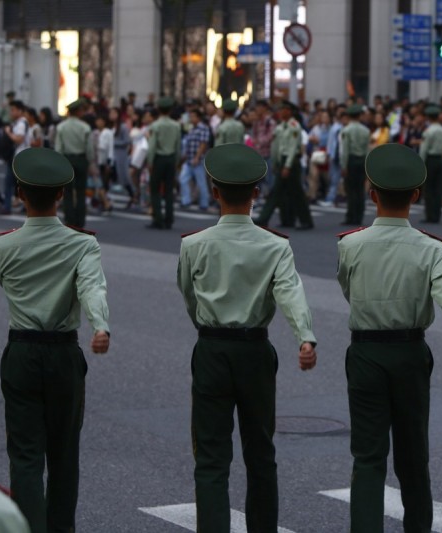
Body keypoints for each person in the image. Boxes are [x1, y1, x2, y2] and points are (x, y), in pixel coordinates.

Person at [337, 143, 442, 532]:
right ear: (416, 197)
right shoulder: (432, 248)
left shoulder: (350, 244)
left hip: (366, 352)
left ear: (372, 195)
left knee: (368, 458)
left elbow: (347, 288)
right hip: (409, 352)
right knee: (413, 458)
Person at [178, 143, 317, 533]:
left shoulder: (193, 244)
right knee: (261, 455)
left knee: (210, 458)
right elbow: (290, 292)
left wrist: (206, 325)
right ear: (257, 193)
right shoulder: (275, 245)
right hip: (256, 349)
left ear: (214, 191)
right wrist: (304, 336)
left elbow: (188, 295)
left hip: (211, 346)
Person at [0, 148, 110, 533]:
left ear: (20, 194)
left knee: (24, 455)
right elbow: (92, 288)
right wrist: (100, 325)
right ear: (61, 196)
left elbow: (1, 279)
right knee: (63, 454)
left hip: (21, 350)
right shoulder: (82, 244)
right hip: (64, 353)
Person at [254, 101, 314, 230]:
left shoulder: (294, 126)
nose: (281, 112)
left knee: (281, 191)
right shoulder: (281, 126)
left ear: (290, 111)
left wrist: (287, 165)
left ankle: (264, 218)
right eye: (280, 109)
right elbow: (276, 147)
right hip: (282, 161)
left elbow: (292, 148)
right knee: (287, 193)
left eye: (283, 109)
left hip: (291, 162)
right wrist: (276, 162)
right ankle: (288, 219)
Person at [54, 99, 93, 228]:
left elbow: (59, 148)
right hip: (81, 159)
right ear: (78, 111)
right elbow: (89, 148)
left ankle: (70, 221)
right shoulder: (85, 127)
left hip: (67, 160)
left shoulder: (61, 127)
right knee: (81, 192)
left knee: (67, 192)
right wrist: (91, 162)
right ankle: (80, 221)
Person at [145, 96, 181, 229]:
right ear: (171, 110)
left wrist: (150, 162)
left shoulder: (155, 125)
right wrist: (176, 161)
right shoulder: (176, 125)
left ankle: (158, 218)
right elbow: (178, 146)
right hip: (171, 158)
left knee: (155, 190)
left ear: (158, 109)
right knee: (169, 190)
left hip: (159, 158)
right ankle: (169, 218)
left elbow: (152, 146)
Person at [340, 104, 370, 226]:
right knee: (360, 189)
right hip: (362, 160)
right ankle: (359, 216)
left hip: (351, 161)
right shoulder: (366, 130)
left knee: (351, 190)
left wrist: (343, 165)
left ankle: (350, 216)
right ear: (359, 115)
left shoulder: (346, 130)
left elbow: (345, 150)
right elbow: (367, 149)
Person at [419, 105, 442, 223]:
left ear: (428, 117)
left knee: (429, 189)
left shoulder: (428, 131)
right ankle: (437, 215)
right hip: (440, 160)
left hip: (430, 160)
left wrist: (421, 163)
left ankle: (430, 215)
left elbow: (424, 149)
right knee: (438, 188)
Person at [0, 100, 29, 215]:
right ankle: (24, 206)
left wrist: (8, 133)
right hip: (18, 156)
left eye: (13, 110)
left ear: (20, 111)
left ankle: (7, 207)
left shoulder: (21, 123)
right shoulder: (19, 122)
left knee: (10, 182)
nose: (11, 112)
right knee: (18, 183)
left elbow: (19, 139)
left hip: (18, 157)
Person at [178, 108, 211, 211]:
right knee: (183, 179)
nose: (191, 118)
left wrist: (197, 157)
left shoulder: (203, 128)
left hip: (198, 160)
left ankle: (204, 203)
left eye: (193, 116)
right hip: (189, 160)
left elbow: (203, 144)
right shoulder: (192, 128)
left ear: (198, 117)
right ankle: (186, 201)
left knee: (201, 183)